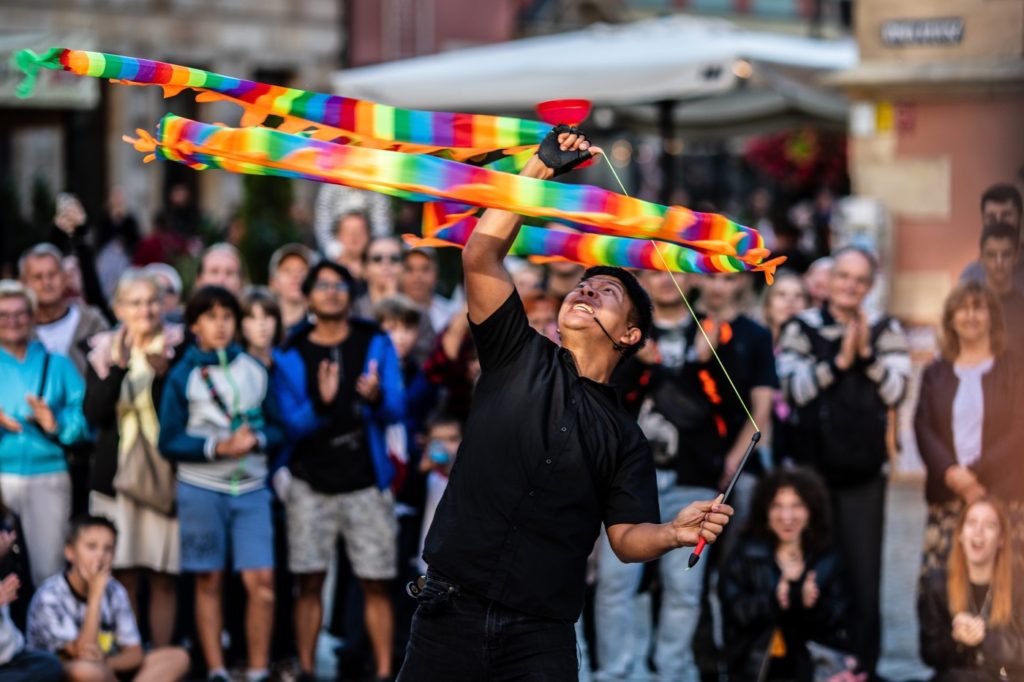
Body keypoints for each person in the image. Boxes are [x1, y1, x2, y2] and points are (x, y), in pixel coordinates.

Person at [396, 126, 734, 681]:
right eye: (583, 285)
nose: (585, 290)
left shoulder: (626, 438)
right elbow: (481, 254)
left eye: (607, 292)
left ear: (629, 337)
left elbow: (626, 539)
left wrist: (675, 532)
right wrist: (538, 170)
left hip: (540, 634)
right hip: (448, 610)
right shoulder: (514, 353)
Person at [777, 246, 911, 677]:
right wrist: (838, 363)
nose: (850, 285)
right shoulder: (802, 327)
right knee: (813, 569)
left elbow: (898, 392)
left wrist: (867, 357)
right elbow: (793, 390)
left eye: (859, 279)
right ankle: (814, 665)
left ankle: (862, 669)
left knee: (862, 576)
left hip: (864, 476)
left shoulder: (886, 329)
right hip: (811, 475)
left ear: (869, 287)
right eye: (843, 276)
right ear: (830, 280)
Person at [279, 260, 404, 682]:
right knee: (309, 582)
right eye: (323, 285)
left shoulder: (375, 340)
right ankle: (309, 670)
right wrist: (323, 402)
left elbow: (396, 410)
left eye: (339, 285)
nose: (332, 291)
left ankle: (386, 672)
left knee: (376, 581)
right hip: (309, 483)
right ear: (308, 294)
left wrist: (374, 397)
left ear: (351, 294)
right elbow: (288, 425)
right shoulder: (291, 350)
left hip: (365, 481)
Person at [157, 286, 284, 682]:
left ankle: (259, 669)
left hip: (251, 490)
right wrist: (218, 446)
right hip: (200, 488)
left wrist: (257, 440)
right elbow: (169, 440)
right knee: (208, 578)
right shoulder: (182, 375)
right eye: (211, 316)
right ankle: (216, 670)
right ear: (194, 323)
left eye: (228, 316)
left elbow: (278, 427)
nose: (221, 324)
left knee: (261, 581)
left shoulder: (256, 369)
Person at [82, 271, 182, 647]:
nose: (146, 310)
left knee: (162, 576)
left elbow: (180, 415)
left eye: (152, 301)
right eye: (136, 302)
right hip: (116, 478)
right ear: (119, 308)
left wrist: (161, 378)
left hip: (163, 478)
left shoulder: (178, 347)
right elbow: (94, 414)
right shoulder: (101, 350)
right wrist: (119, 367)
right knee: (122, 576)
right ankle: (127, 659)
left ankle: (159, 663)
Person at [720, 468, 861, 681]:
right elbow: (734, 611)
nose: (787, 517)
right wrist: (774, 601)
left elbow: (841, 621)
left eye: (797, 506)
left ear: (811, 511)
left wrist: (811, 605)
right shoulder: (746, 554)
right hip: (756, 670)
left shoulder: (827, 558)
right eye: (777, 506)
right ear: (765, 511)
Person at [0, 280, 89, 587]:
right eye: (4, 314)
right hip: (2, 474)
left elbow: (86, 420)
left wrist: (55, 423)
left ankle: (49, 634)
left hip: (48, 475)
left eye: (20, 313)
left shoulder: (58, 365)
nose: (12, 321)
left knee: (48, 571)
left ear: (33, 316)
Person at [26, 515, 190, 682]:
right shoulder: (49, 596)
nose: (100, 556)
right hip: (66, 674)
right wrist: (95, 595)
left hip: (105, 670)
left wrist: (106, 662)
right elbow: (83, 654)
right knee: (85, 671)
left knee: (178, 657)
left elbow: (134, 654)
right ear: (70, 552)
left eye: (108, 549)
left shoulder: (115, 590)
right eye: (91, 547)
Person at [918, 498, 1024, 680]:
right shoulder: (937, 583)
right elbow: (929, 654)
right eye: (972, 523)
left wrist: (987, 637)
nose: (979, 531)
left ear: (1001, 539)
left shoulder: (1019, 585)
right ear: (959, 534)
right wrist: (955, 639)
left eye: (989, 525)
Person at [19, 243, 110, 376]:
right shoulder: (16, 330)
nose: (47, 283)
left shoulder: (92, 321)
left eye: (52, 274)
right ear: (24, 283)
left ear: (65, 277)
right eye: (38, 277)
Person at [959, 184, 1024, 290]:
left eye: (1006, 215)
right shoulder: (971, 275)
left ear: (1020, 217)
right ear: (983, 220)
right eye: (991, 217)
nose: (998, 221)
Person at [974, 222, 1024, 342]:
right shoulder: (969, 308)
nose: (999, 262)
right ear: (981, 257)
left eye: (1006, 254)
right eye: (991, 255)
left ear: (1016, 256)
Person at [400, 248, 457, 333]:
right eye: (409, 269)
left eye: (425, 269)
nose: (417, 276)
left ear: (436, 274)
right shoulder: (388, 312)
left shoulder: (451, 315)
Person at [268, 243, 315, 331]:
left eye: (302, 270)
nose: (295, 276)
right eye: (287, 270)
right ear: (273, 283)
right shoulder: (265, 329)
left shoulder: (320, 326)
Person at [332, 211, 374, 283]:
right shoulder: (329, 271)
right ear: (338, 236)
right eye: (348, 232)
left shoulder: (379, 269)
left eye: (360, 232)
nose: (354, 237)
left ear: (369, 235)